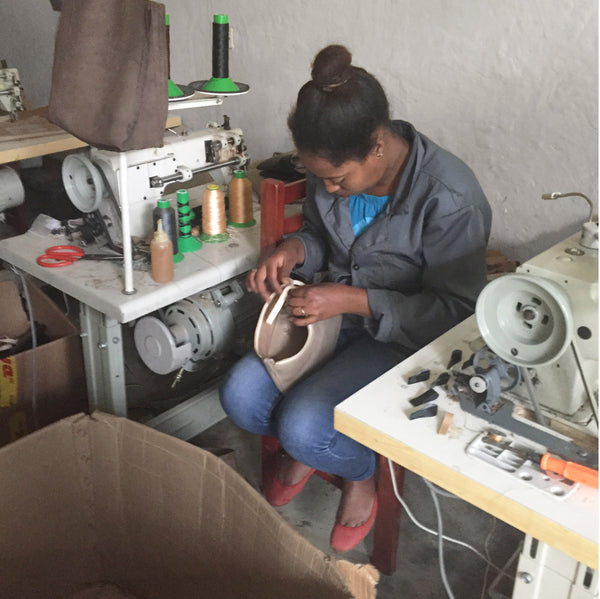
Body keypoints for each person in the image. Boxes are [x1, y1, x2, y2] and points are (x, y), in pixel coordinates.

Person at [220, 44, 492, 552]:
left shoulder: (449, 198)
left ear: (377, 148)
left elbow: (458, 316)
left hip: (401, 342)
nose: (328, 189)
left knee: (302, 426)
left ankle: (360, 474)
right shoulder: (336, 177)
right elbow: (325, 239)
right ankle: (325, 449)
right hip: (333, 320)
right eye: (320, 178)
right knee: (240, 395)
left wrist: (353, 300)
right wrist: (295, 248)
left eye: (336, 178)